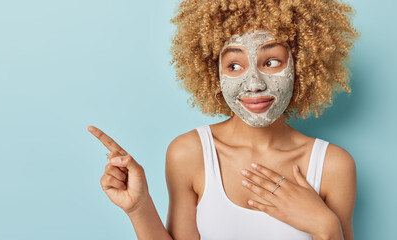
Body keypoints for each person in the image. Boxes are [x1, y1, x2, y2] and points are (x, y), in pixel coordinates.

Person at [88, 0, 359, 239]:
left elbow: (332, 232)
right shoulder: (188, 153)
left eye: (272, 62)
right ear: (213, 71)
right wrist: (139, 207)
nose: (254, 84)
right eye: (234, 66)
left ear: (302, 65)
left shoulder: (333, 165)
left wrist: (326, 226)